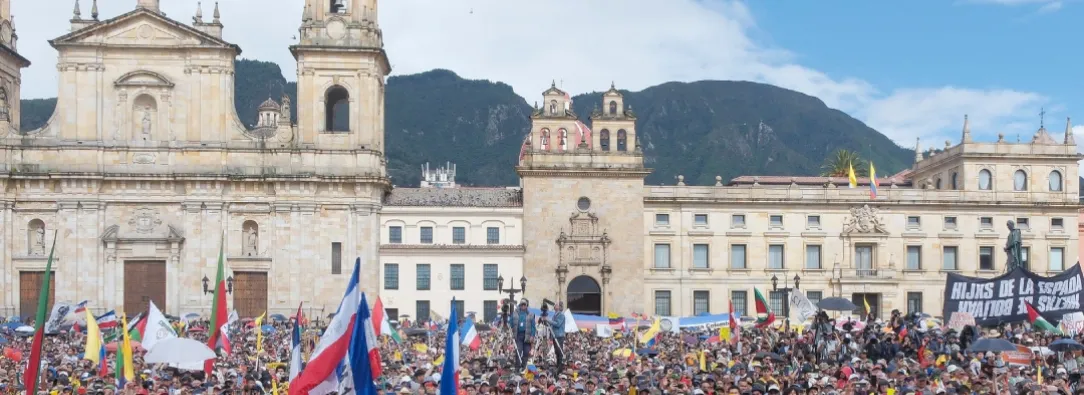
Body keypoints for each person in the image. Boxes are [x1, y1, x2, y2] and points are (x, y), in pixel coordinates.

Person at [509, 298, 536, 369]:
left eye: (525, 305)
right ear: (520, 305)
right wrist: (510, 328)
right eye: (522, 305)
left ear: (526, 306)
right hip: (518, 335)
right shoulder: (515, 313)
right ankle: (517, 367)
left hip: (527, 336)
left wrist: (532, 335)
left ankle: (524, 367)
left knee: (526, 352)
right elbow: (510, 323)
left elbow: (533, 327)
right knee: (518, 351)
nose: (523, 306)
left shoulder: (530, 314)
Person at [545, 301, 567, 370]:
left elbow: (557, 324)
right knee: (556, 351)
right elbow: (552, 325)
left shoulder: (561, 315)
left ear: (560, 307)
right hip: (555, 335)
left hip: (559, 335)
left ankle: (560, 365)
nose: (554, 305)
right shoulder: (555, 315)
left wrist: (548, 320)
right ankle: (558, 364)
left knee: (559, 350)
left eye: (556, 305)